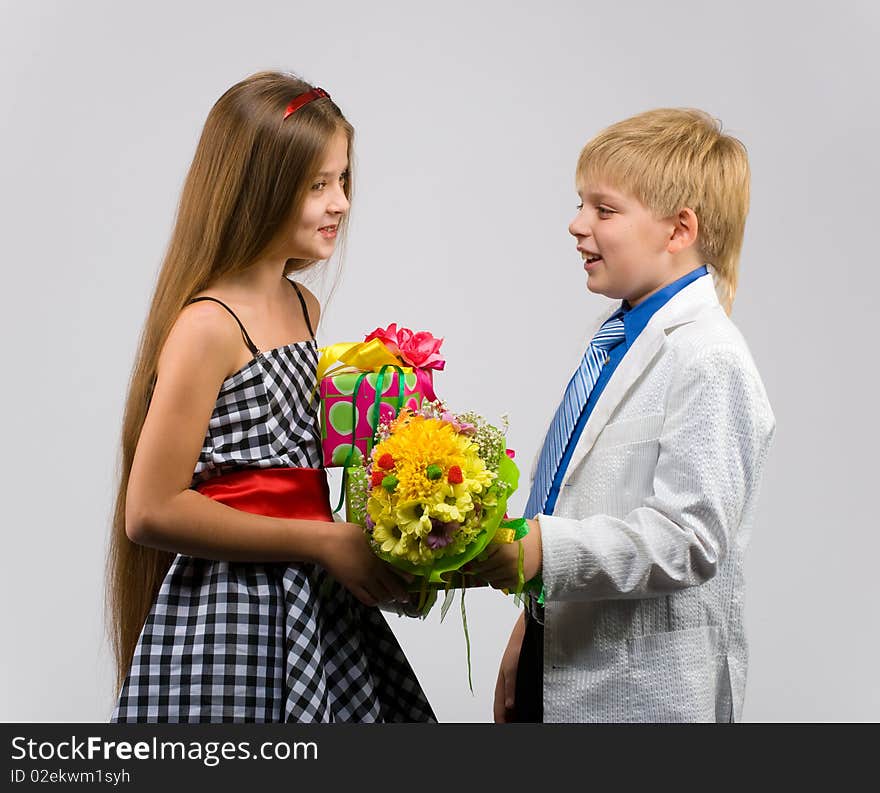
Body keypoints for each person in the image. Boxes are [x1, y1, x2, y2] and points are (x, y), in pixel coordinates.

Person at [106, 71, 435, 723]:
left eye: (342, 179)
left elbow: (295, 457)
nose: (339, 201)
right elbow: (149, 509)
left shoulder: (303, 305)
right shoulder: (209, 324)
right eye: (317, 185)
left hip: (314, 603)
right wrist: (322, 543)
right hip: (232, 616)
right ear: (258, 189)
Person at [469, 108, 775, 723]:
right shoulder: (618, 339)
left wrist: (534, 550)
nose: (577, 225)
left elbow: (690, 539)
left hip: (638, 693)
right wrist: (530, 632)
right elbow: (571, 499)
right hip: (557, 651)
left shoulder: (709, 358)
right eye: (581, 204)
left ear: (678, 229)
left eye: (604, 210)